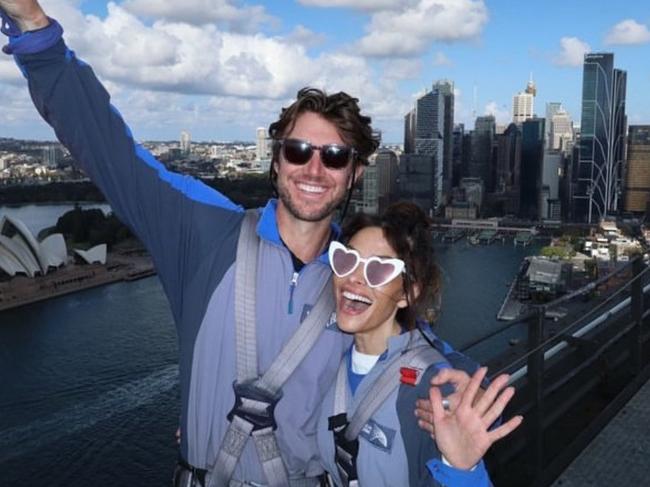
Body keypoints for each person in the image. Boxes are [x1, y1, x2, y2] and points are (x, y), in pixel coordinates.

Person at [0, 3, 483, 485]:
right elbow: (110, 150)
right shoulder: (203, 232)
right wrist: (34, 28)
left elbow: (407, 341)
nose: (314, 170)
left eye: (334, 157)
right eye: (298, 151)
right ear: (275, 162)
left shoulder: (354, 275)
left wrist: (463, 381)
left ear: (355, 172)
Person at [317, 202, 522, 486]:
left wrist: (463, 470)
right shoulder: (329, 352)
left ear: (407, 295)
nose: (354, 278)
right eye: (346, 260)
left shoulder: (430, 389)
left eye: (378, 270)